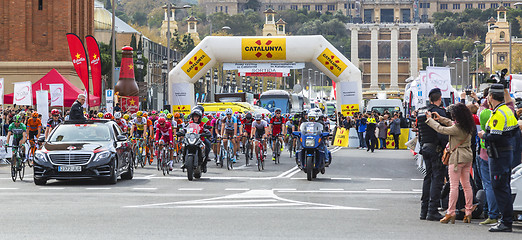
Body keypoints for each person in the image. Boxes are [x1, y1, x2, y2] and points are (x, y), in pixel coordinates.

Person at [425, 103, 476, 224]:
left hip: (457, 158)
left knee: (453, 186)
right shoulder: (468, 126)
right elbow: (450, 123)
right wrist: (441, 118)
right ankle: (468, 212)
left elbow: (441, 129)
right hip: (468, 156)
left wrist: (430, 120)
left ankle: (450, 212)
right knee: (466, 185)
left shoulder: (457, 128)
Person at [477, 84, 518, 232]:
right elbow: (514, 134)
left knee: (499, 187)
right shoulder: (508, 111)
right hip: (507, 153)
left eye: (488, 96)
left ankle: (505, 222)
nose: (487, 99)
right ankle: (506, 220)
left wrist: (483, 135)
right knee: (504, 187)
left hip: (498, 155)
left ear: (492, 97)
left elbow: (495, 136)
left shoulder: (498, 114)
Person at [417, 88, 448, 221]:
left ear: (430, 99)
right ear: (439, 99)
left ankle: (424, 211)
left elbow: (419, 130)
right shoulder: (439, 113)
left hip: (425, 147)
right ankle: (432, 210)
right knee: (437, 178)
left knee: (428, 177)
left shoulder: (421, 112)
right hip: (436, 148)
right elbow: (442, 132)